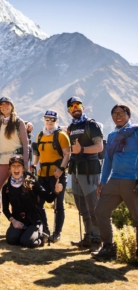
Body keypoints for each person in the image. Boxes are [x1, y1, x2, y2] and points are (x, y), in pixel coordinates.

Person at [91, 104, 138, 261]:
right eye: (114, 113)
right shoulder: (111, 136)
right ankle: (109, 248)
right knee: (101, 211)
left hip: (133, 181)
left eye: (121, 113)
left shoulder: (136, 132)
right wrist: (103, 182)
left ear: (128, 115)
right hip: (114, 180)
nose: (118, 116)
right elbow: (108, 161)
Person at [0, 96, 29, 235]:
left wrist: (26, 165)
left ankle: (24, 221)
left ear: (12, 106)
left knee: (21, 192)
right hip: (2, 160)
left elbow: (26, 144)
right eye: (2, 105)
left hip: (17, 161)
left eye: (7, 104)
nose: (4, 107)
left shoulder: (19, 122)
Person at [67, 96, 103, 251]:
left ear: (83, 107)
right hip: (75, 170)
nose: (75, 108)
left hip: (90, 171)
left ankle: (97, 240)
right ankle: (88, 238)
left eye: (77, 105)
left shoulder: (91, 125)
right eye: (71, 107)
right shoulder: (71, 127)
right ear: (69, 111)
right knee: (82, 207)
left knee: (93, 206)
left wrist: (82, 150)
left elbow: (99, 147)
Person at [2, 156, 63, 247]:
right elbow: (5, 209)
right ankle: (26, 234)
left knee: (27, 242)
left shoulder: (32, 182)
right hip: (18, 221)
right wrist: (13, 221)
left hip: (34, 221)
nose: (16, 168)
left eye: (19, 165)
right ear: (10, 169)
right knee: (11, 239)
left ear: (23, 168)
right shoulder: (7, 188)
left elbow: (49, 198)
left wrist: (56, 191)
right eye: (13, 166)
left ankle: (40, 236)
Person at [32, 110, 70, 242]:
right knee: (39, 203)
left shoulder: (61, 135)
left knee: (58, 204)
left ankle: (57, 233)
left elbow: (67, 154)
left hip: (57, 175)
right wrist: (33, 165)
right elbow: (37, 153)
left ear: (56, 121)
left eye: (52, 119)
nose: (49, 121)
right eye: (47, 119)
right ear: (44, 120)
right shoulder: (40, 135)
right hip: (43, 174)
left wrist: (61, 169)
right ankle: (46, 230)